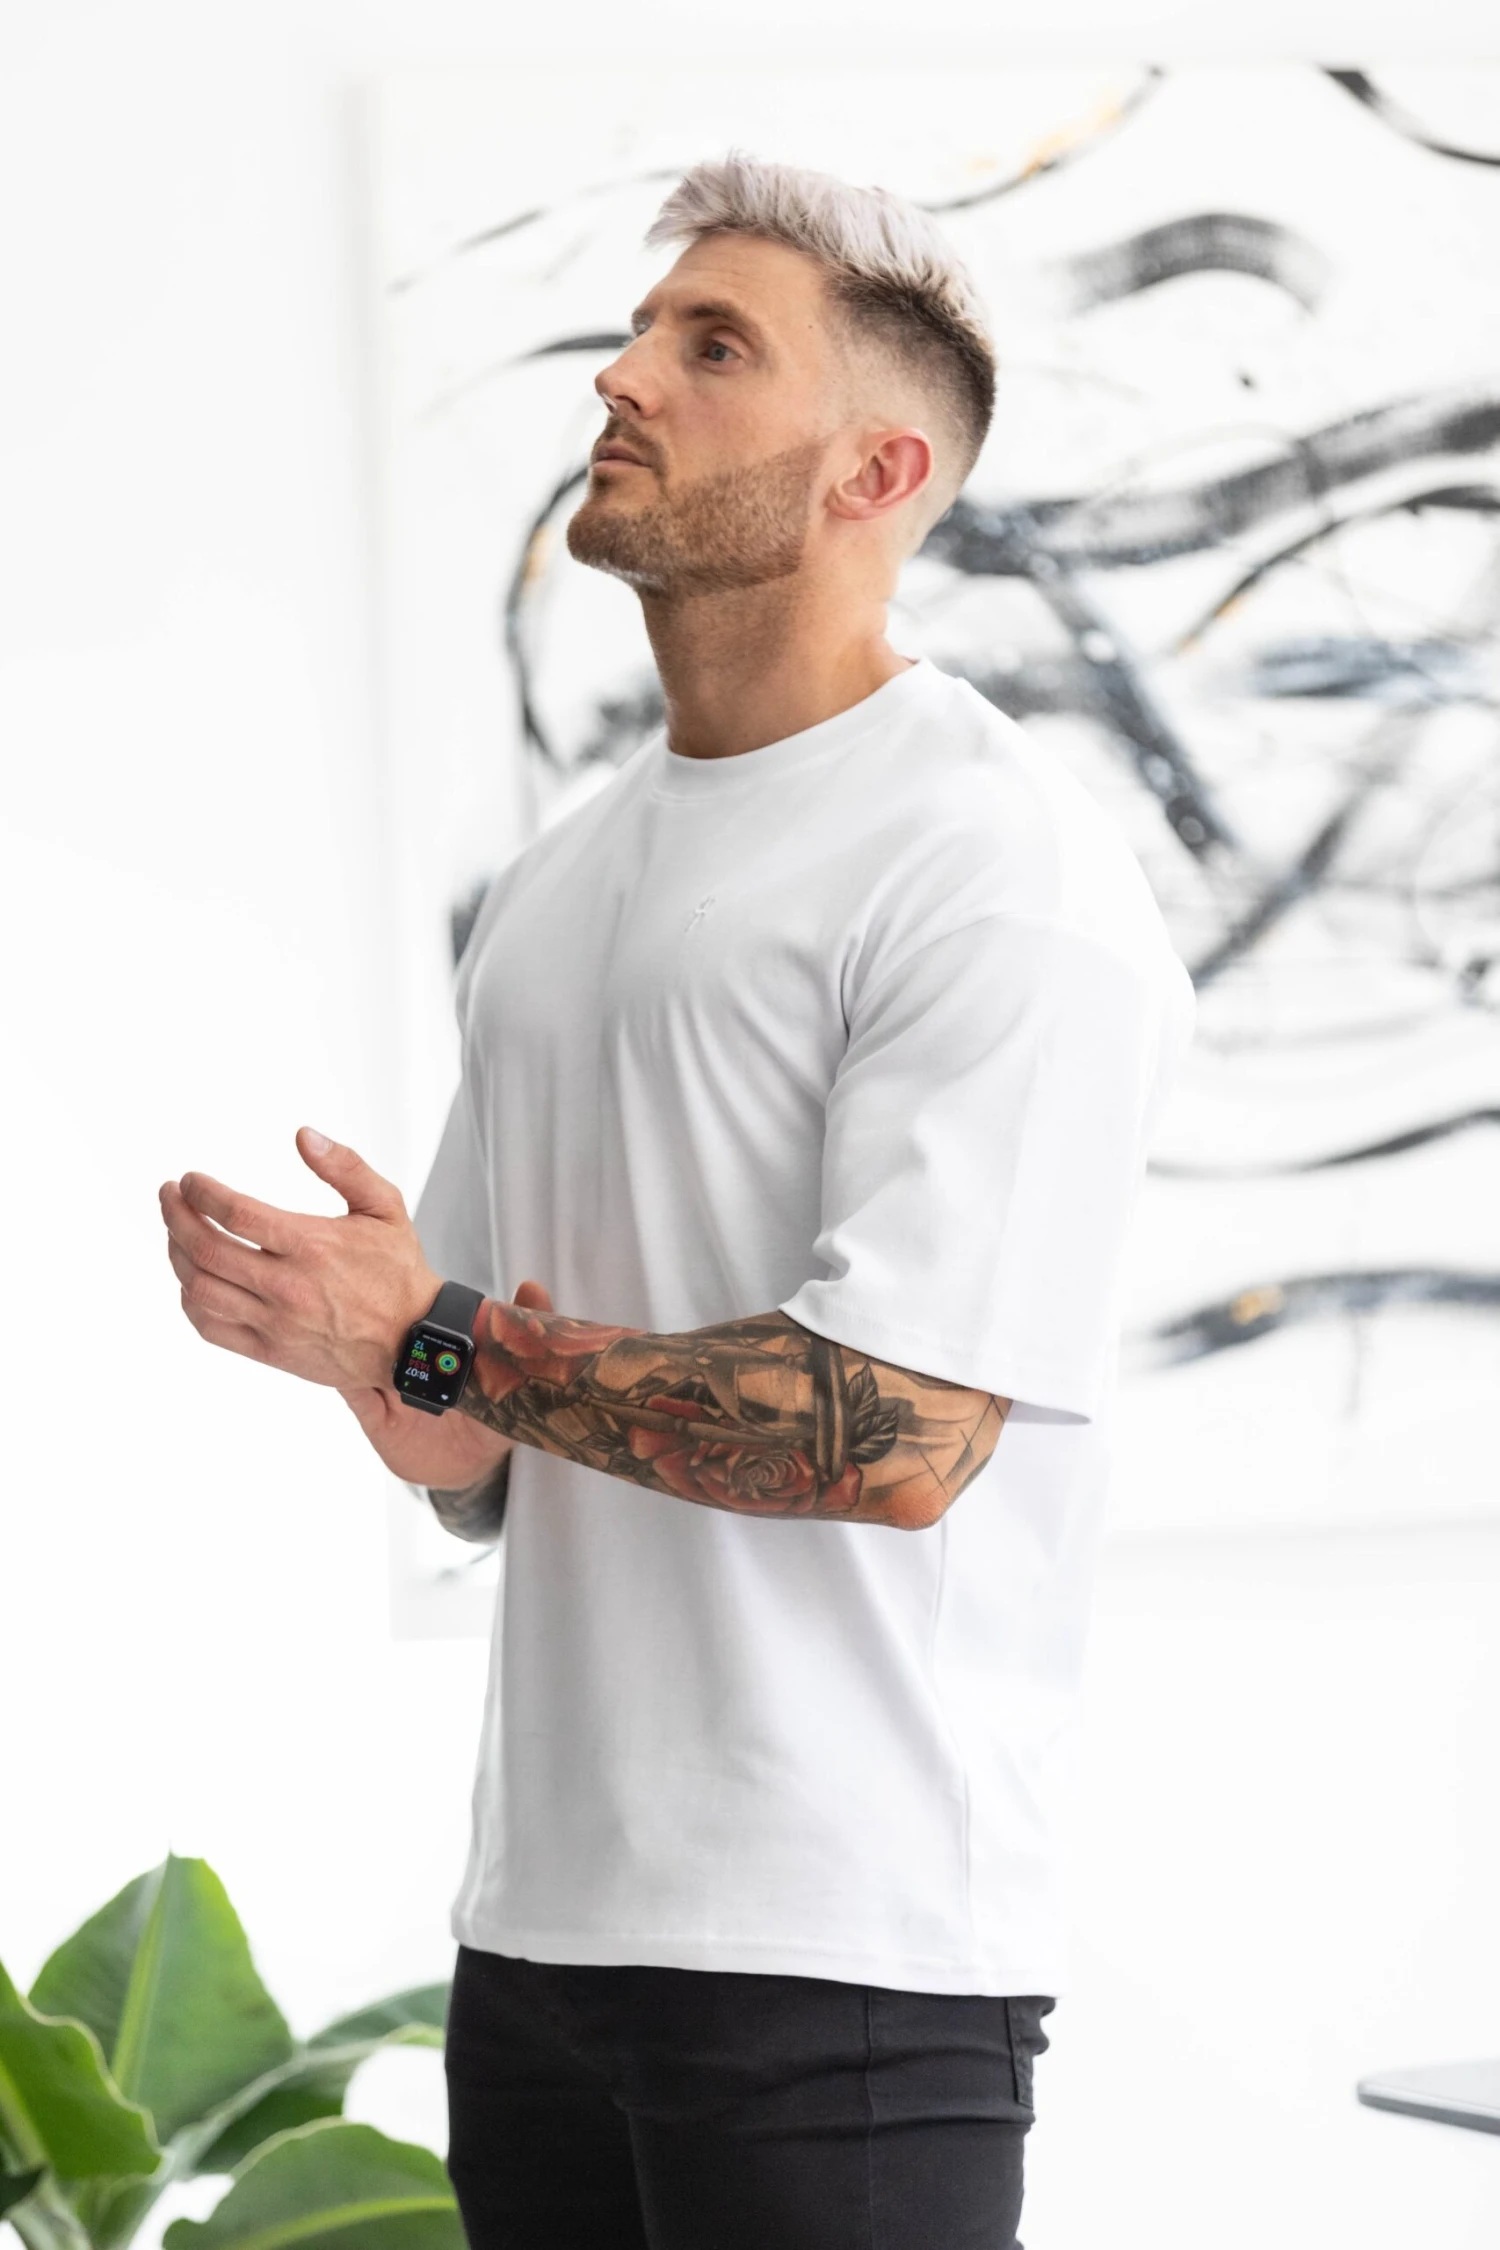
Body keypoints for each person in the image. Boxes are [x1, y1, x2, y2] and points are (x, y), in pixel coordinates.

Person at [159, 150, 1196, 2249]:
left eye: (714, 347)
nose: (622, 377)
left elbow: (895, 1433)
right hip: (540, 1936)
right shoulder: (557, 884)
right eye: (643, 328)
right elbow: (478, 1430)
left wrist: (440, 1340)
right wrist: (371, 1355)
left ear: (875, 470)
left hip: (847, 1959)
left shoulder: (996, 866)